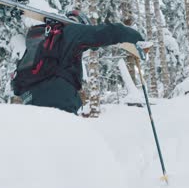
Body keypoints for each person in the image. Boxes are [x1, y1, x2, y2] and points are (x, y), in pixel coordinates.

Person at [12, 10, 144, 114]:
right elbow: (104, 33)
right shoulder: (72, 32)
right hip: (57, 97)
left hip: (29, 98)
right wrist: (136, 39)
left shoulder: (48, 39)